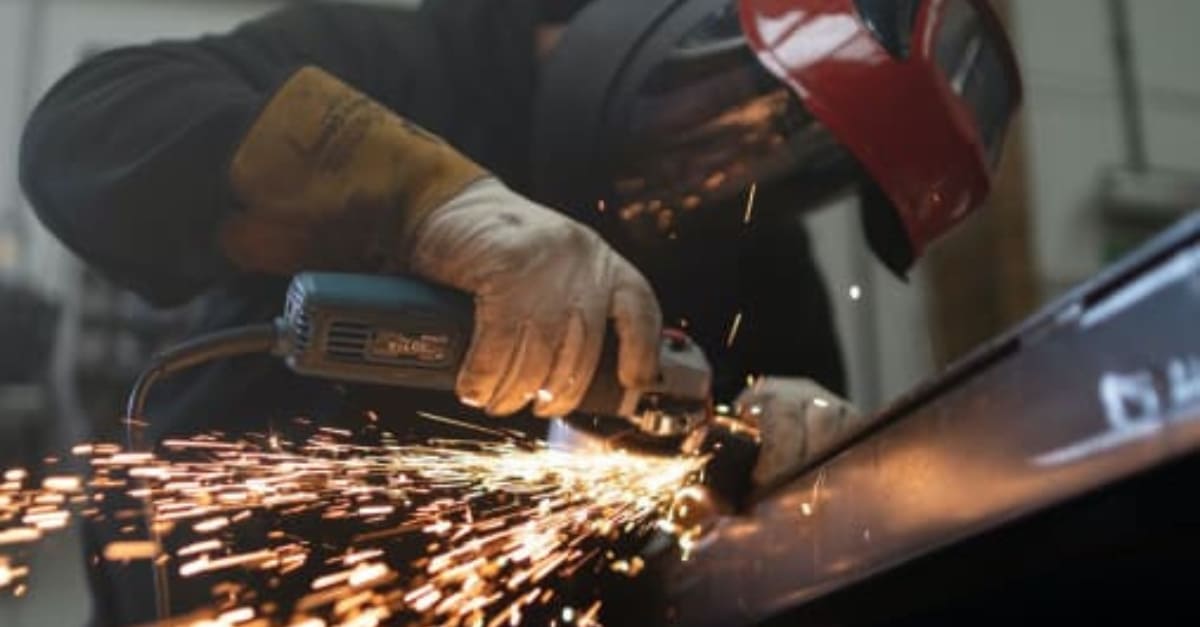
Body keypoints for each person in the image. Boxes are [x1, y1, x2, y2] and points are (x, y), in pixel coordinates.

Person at [21, 0, 1020, 484]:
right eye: (759, 114)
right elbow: (86, 127)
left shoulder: (758, 270)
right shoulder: (411, 65)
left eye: (808, 167)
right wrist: (439, 206)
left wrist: (793, 459)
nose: (746, 170)